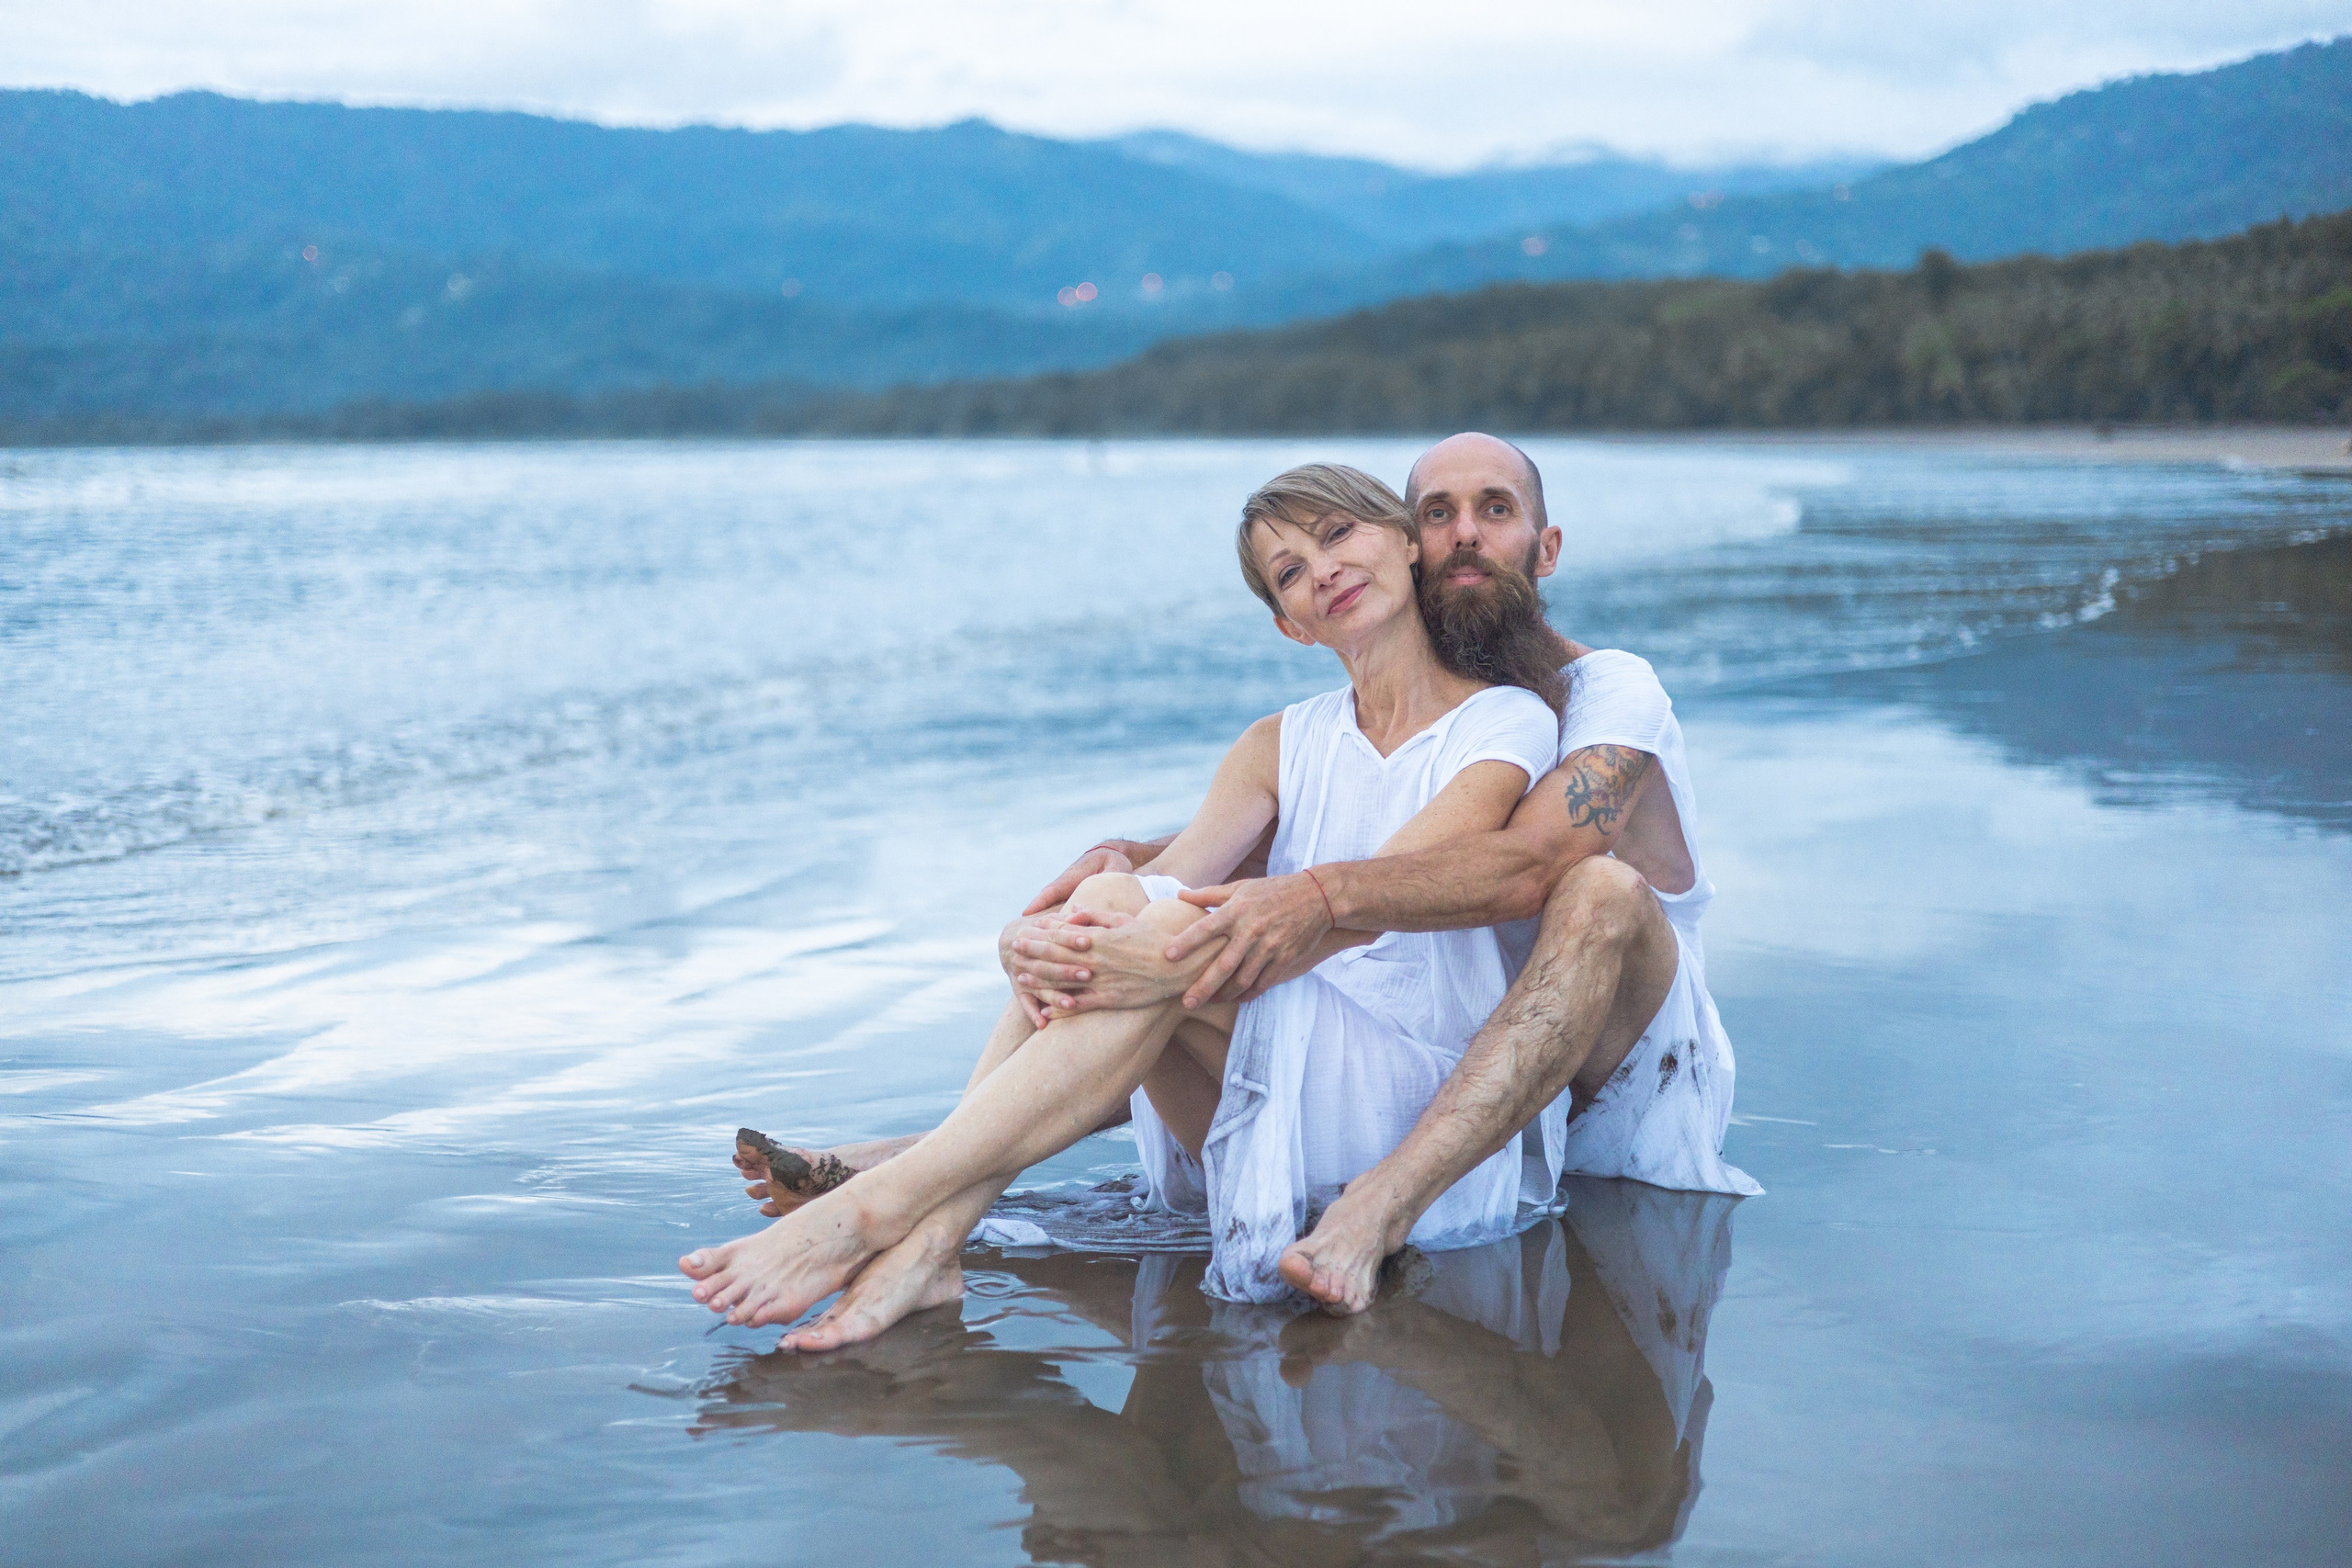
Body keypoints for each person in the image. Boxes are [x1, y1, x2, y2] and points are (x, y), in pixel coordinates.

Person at [681, 461, 1570, 1342]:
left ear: (1407, 546)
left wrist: (1149, 943)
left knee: (1160, 923)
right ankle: (931, 1241)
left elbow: (1373, 905)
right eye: (1291, 570)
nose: (1325, 569)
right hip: (1260, 1073)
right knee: (1108, 895)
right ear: (1288, 624)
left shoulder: (1503, 719)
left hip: (1405, 1090)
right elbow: (1163, 881)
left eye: (1339, 534)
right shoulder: (1278, 742)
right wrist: (1034, 936)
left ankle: (889, 1212)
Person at [1005, 432, 1759, 1316]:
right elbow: (1342, 834)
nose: (1465, 533)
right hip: (1493, 1071)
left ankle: (1382, 1204)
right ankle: (939, 1163)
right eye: (1439, 513)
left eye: (1495, 509)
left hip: (1629, 1074)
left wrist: (1309, 898)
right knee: (1153, 945)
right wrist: (1131, 865)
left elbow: (1527, 862)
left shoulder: (1610, 690)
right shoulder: (1430, 711)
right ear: (1410, 542)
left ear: (1546, 548)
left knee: (1599, 890)